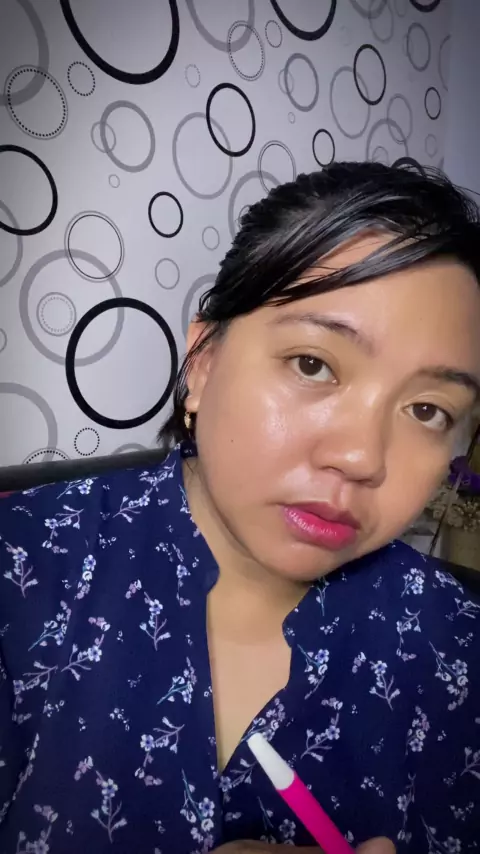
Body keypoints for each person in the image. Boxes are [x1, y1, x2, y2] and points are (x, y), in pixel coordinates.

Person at [0, 162, 479, 854]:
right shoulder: (21, 567)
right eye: (313, 364)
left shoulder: (456, 646)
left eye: (428, 410)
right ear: (202, 360)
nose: (361, 457)